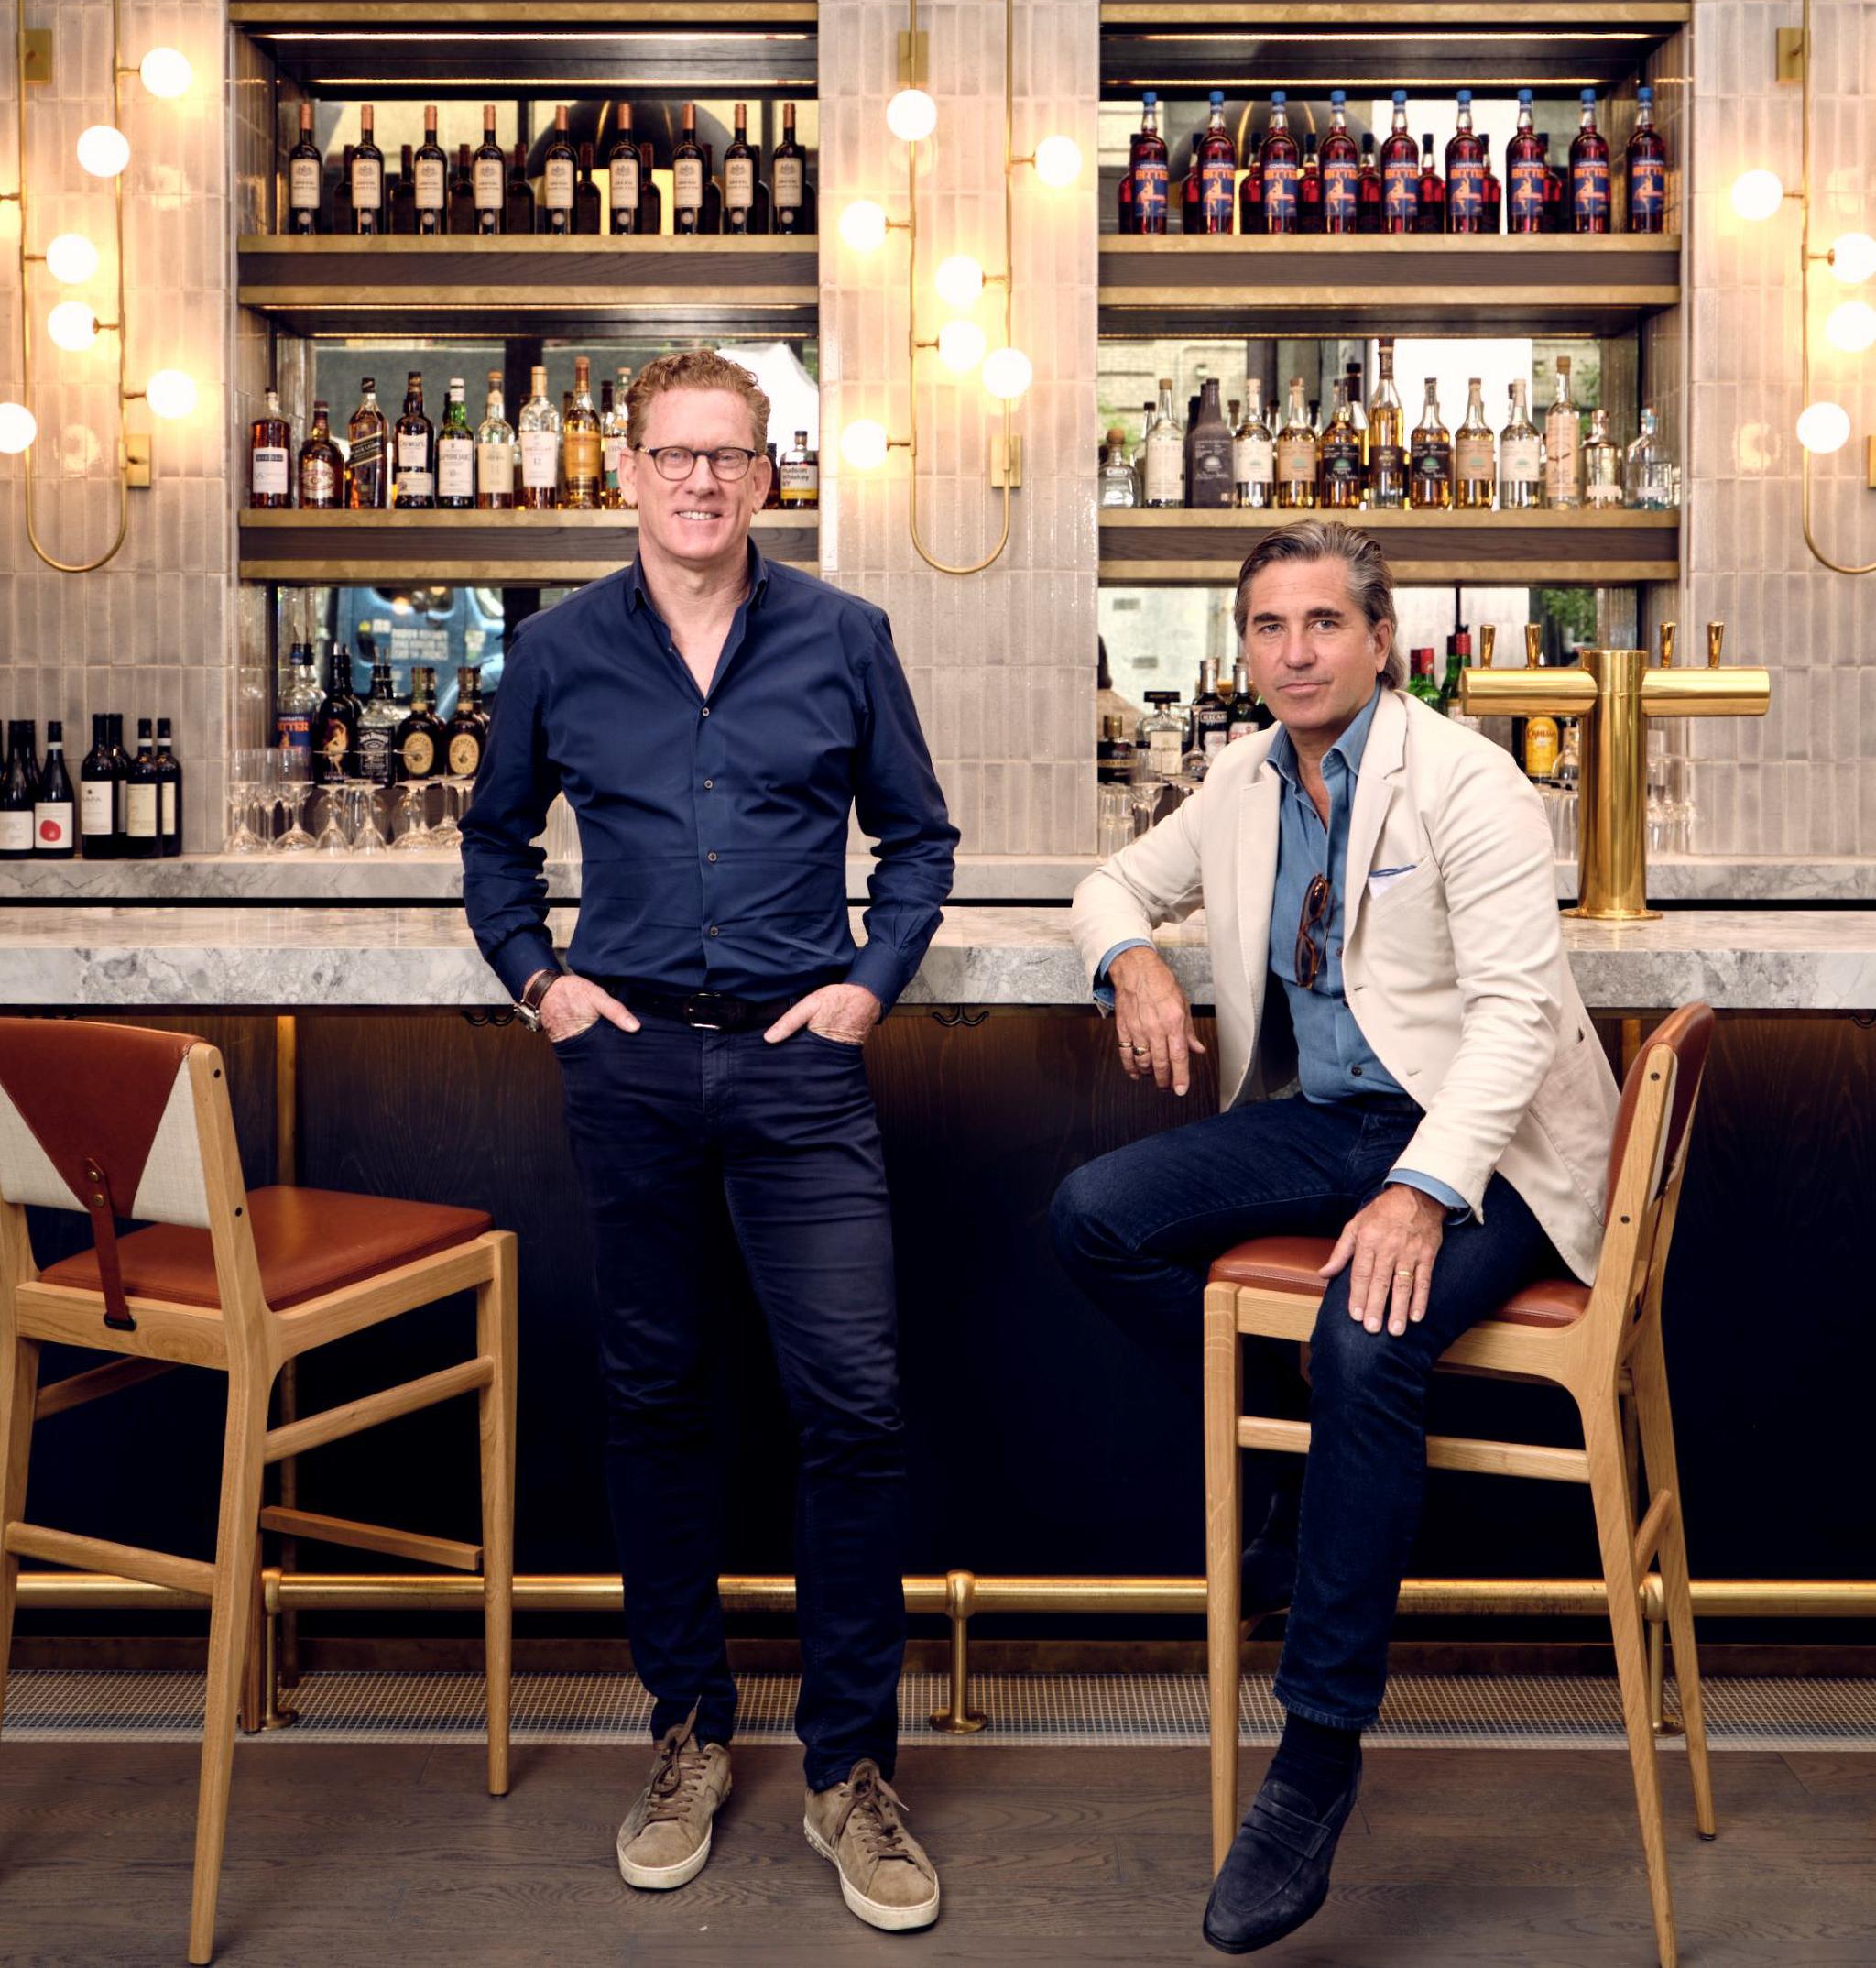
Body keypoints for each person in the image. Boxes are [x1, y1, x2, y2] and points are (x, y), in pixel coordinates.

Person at [1050, 520, 1618, 1955]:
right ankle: (1305, 1470)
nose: (1294, 652)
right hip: (1324, 1124)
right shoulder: (1243, 780)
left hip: (1487, 1146)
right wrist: (1131, 960)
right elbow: (1107, 887)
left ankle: (1312, 1762)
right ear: (1244, 647)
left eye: (1322, 624)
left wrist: (1422, 1191)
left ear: (1379, 639)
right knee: (1094, 1218)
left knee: (1368, 1340)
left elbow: (1516, 1019)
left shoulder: (1470, 782)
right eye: (1268, 627)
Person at [463, 349, 957, 1934]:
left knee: (855, 1409)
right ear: (626, 472)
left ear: (767, 474)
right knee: (656, 1402)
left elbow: (920, 839)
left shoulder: (845, 635)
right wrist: (539, 981)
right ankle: (686, 1733)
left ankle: (849, 1771)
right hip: (629, 1072)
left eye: (729, 456)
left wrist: (871, 984)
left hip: (799, 1073)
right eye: (673, 455)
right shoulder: (556, 650)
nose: (700, 481)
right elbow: (492, 846)